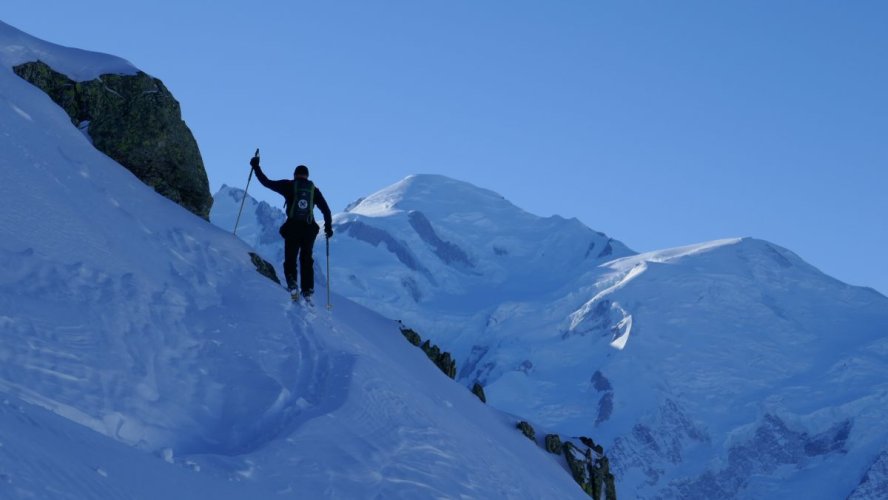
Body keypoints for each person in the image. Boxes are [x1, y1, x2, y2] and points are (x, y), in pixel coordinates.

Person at [250, 156, 333, 298]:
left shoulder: (288, 185)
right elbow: (326, 210)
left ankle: (292, 283)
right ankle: (307, 290)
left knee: (291, 257)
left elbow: (266, 182)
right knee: (306, 258)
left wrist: (256, 166)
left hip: (293, 227)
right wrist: (328, 228)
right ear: (307, 176)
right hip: (308, 229)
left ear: (295, 175)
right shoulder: (313, 190)